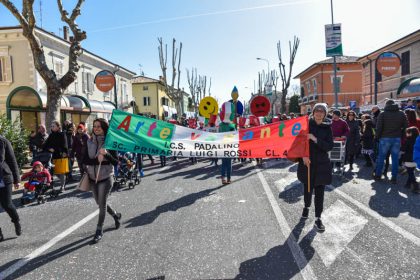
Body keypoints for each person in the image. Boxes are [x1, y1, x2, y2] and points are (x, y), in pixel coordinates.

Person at [83, 118, 121, 244]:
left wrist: (106, 155)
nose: (96, 128)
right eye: (94, 126)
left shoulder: (110, 142)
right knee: (100, 203)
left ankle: (99, 230)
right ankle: (115, 215)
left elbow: (116, 162)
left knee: (102, 205)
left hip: (106, 177)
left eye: (99, 126)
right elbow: (85, 160)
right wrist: (97, 159)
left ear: (104, 128)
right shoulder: (89, 142)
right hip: (93, 178)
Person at [297, 103, 333, 232]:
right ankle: (306, 207)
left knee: (319, 193)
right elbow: (298, 142)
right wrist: (303, 156)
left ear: (325, 114)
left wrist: (315, 139)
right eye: (317, 111)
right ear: (313, 112)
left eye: (321, 111)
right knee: (307, 189)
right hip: (307, 163)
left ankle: (318, 218)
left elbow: (329, 146)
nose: (319, 113)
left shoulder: (327, 127)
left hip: (322, 165)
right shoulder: (306, 125)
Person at [374, 99, 408, 184]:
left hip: (384, 138)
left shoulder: (382, 114)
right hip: (396, 138)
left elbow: (379, 127)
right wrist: (402, 136)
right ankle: (394, 177)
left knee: (381, 157)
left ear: (386, 105)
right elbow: (406, 126)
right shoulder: (401, 113)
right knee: (395, 158)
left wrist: (376, 137)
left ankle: (378, 175)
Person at [0, 134, 22, 242]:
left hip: (4, 178)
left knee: (7, 204)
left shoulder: (3, 141)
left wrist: (17, 179)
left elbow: (12, 161)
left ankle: (16, 221)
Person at [44, 121, 68, 192]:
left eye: (53, 126)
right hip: (53, 156)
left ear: (58, 127)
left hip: (61, 155)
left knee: (62, 172)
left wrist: (65, 152)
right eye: (51, 126)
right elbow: (46, 145)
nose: (52, 127)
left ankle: (62, 186)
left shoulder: (62, 134)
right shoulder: (51, 135)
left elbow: (65, 144)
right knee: (56, 172)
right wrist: (49, 148)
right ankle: (62, 182)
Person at [401, 127, 420, 193]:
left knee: (410, 172)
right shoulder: (418, 140)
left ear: (411, 133)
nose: (406, 134)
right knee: (411, 171)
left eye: (407, 132)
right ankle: (408, 184)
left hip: (409, 159)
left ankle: (416, 186)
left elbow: (403, 149)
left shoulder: (408, 140)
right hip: (416, 159)